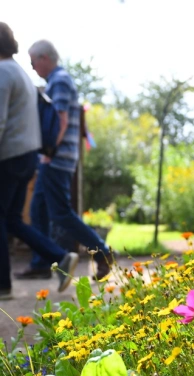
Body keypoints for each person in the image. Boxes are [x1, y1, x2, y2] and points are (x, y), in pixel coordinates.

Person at [17, 39, 112, 281]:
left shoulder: (59, 81)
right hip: (55, 158)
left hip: (56, 159)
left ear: (44, 58)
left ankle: (103, 251)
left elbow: (59, 120)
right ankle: (41, 262)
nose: (32, 67)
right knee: (38, 209)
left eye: (32, 62)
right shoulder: (58, 81)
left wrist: (48, 152)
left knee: (60, 213)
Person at [0, 22, 78, 300]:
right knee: (13, 219)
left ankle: (2, 285)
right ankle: (60, 257)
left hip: (9, 155)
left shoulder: (2, 72)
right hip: (28, 155)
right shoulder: (20, 71)